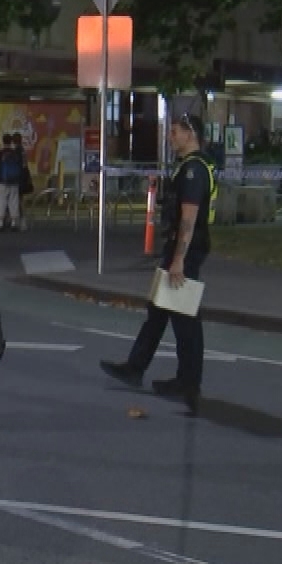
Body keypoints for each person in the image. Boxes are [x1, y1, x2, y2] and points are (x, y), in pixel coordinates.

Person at [101, 112, 217, 412]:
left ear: (190, 133)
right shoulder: (192, 167)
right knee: (158, 311)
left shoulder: (193, 171)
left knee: (185, 319)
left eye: (175, 131)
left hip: (185, 251)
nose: (170, 137)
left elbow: (189, 218)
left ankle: (187, 382)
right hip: (182, 249)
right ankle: (136, 367)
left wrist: (178, 259)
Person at [0, 134, 28, 232]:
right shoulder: (15, 154)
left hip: (1, 182)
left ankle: (0, 223)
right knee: (13, 202)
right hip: (14, 182)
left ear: (3, 141)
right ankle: (13, 222)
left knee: (1, 201)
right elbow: (22, 167)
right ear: (11, 141)